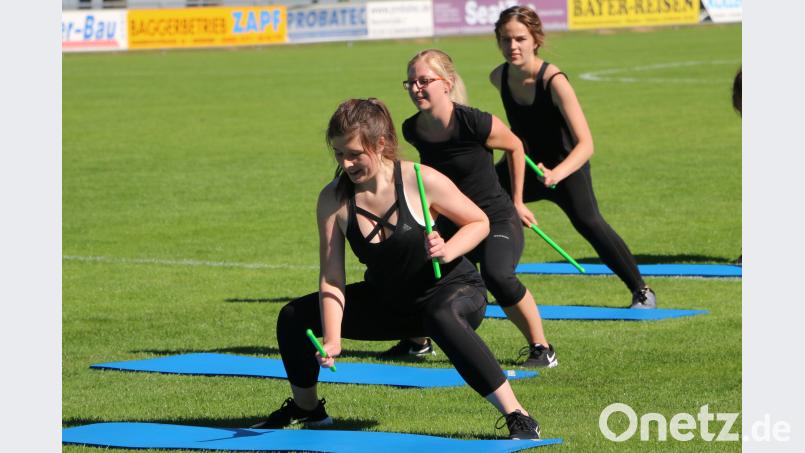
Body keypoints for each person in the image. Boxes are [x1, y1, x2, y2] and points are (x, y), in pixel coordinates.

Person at [252, 98, 542, 440]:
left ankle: (518, 415)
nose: (345, 163)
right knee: (293, 316)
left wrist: (449, 249)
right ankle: (307, 409)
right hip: (390, 301)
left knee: (439, 315)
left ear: (380, 144)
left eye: (354, 154)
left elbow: (479, 222)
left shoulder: (421, 178)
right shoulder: (333, 199)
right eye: (338, 154)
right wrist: (332, 336)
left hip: (453, 291)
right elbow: (332, 277)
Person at [382, 49, 557, 369]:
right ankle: (418, 342)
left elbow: (515, 146)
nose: (416, 89)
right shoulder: (412, 129)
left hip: (496, 219)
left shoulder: (475, 122)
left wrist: (517, 202)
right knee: (411, 268)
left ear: (446, 84)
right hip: (452, 223)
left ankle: (542, 348)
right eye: (411, 83)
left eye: (424, 81)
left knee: (498, 276)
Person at [490, 6, 656, 309]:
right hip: (525, 166)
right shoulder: (498, 77)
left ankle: (641, 290)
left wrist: (557, 173)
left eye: (520, 39)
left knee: (589, 222)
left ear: (536, 39)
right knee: (478, 202)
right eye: (505, 39)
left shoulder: (554, 81)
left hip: (566, 168)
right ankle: (478, 284)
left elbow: (586, 144)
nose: (512, 46)